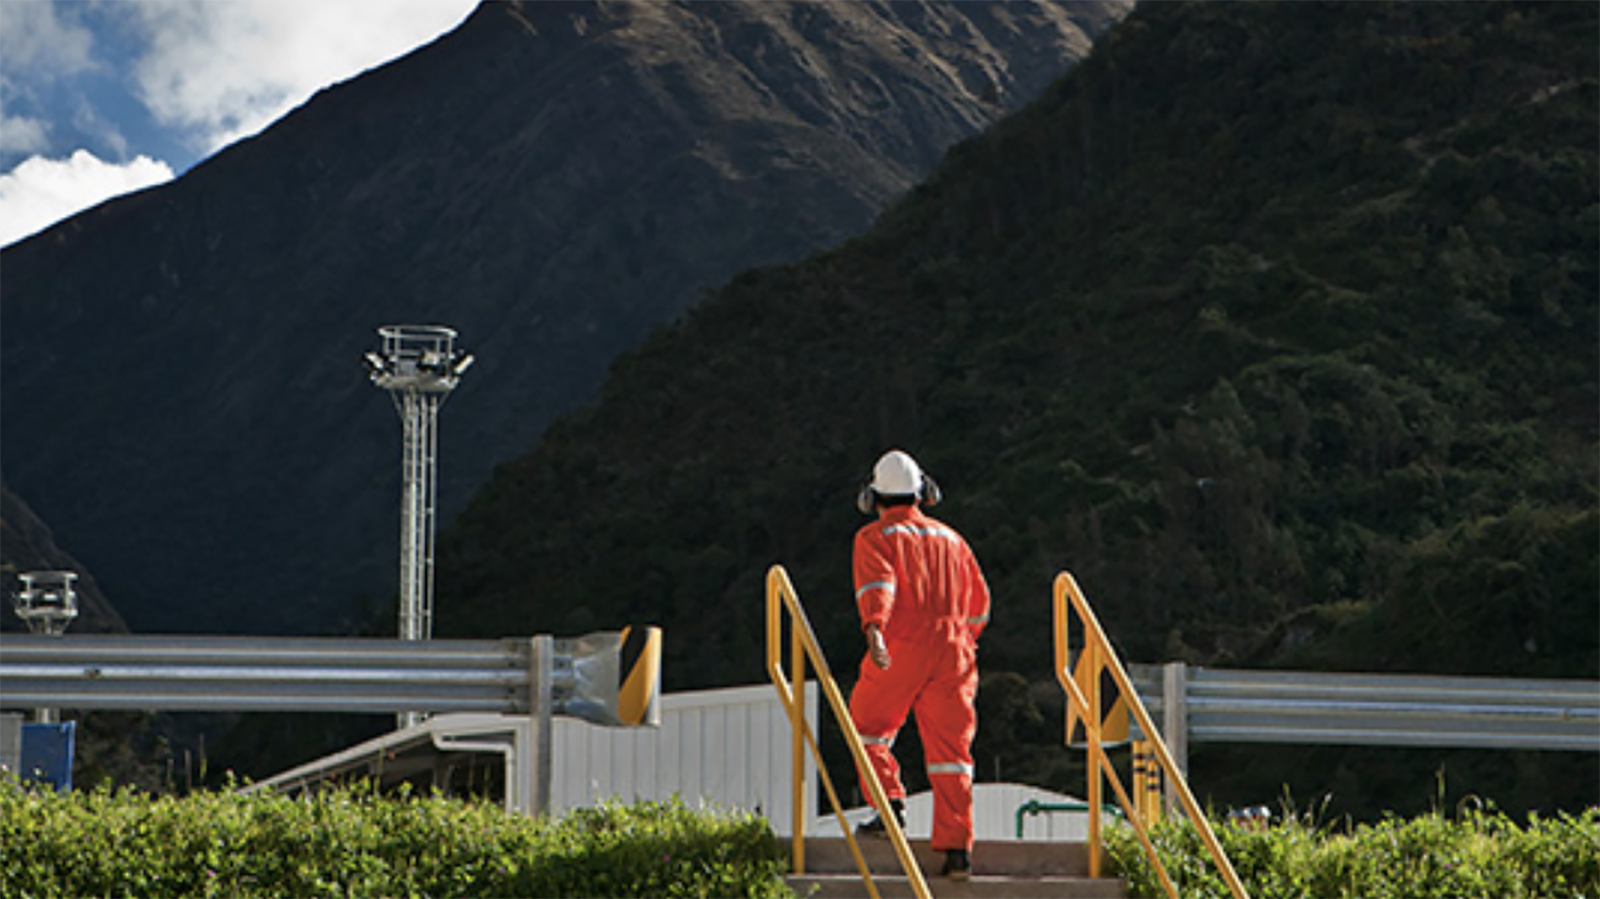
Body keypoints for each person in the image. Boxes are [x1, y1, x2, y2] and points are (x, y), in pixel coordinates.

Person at [847, 449, 990, 881]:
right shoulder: (953, 540)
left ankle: (888, 804)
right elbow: (980, 606)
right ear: (923, 492)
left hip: (900, 644)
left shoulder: (874, 539)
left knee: (866, 728)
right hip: (955, 650)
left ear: (873, 498)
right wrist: (962, 641)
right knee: (953, 755)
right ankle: (957, 850)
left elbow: (880, 586)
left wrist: (874, 630)